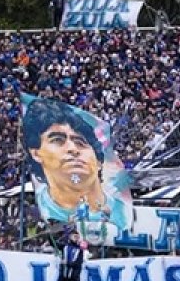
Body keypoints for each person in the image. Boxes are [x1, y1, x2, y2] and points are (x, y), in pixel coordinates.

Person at [22, 98, 130, 230]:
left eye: (80, 142)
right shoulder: (37, 212)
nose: (73, 149)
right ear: (36, 153)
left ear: (99, 161)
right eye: (58, 140)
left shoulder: (126, 215)